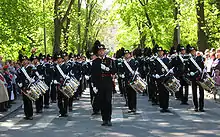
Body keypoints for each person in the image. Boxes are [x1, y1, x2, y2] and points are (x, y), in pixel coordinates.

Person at [91, 41, 116, 126]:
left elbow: (114, 70)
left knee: (108, 101)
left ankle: (108, 119)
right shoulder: (95, 62)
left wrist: (108, 69)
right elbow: (93, 74)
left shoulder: (110, 60)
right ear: (97, 52)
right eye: (100, 50)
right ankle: (104, 119)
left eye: (103, 50)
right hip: (99, 84)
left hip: (108, 83)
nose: (101, 52)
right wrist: (94, 85)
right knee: (102, 101)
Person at [187, 46, 205, 112]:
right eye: (192, 51)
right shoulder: (189, 59)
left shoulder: (200, 58)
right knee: (194, 92)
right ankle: (196, 106)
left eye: (194, 51)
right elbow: (187, 68)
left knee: (201, 92)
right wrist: (190, 73)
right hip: (193, 77)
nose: (193, 52)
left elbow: (203, 67)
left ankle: (201, 106)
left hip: (200, 77)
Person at [16, 56, 34, 120]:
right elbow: (18, 78)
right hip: (23, 87)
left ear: (28, 61)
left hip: (29, 86)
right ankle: (26, 114)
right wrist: (19, 83)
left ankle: (30, 114)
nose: (24, 61)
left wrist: (33, 80)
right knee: (25, 101)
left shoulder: (31, 68)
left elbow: (35, 75)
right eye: (23, 61)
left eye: (25, 60)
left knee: (29, 100)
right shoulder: (20, 70)